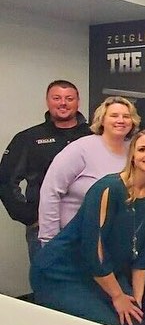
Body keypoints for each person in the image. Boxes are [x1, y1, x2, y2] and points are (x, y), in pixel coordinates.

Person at [30, 130, 145, 325]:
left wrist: (136, 300)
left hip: (107, 271)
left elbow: (143, 256)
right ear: (132, 156)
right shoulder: (108, 187)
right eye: (142, 149)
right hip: (63, 271)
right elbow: (93, 250)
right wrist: (118, 296)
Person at [0, 80, 92, 260]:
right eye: (57, 98)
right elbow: (5, 180)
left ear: (78, 102)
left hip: (89, 225)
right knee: (47, 275)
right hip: (43, 226)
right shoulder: (28, 138)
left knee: (92, 277)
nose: (63, 103)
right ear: (47, 101)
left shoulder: (94, 135)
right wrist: (29, 216)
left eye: (69, 98)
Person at [38, 96, 139, 245]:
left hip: (114, 240)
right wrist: (49, 240)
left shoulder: (135, 151)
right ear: (102, 120)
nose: (121, 120)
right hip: (74, 239)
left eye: (126, 116)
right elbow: (50, 192)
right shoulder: (80, 149)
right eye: (114, 115)